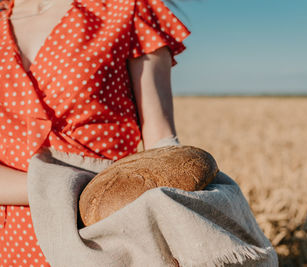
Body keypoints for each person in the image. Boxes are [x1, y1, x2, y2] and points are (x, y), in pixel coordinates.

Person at [0, 0, 190, 264]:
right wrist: (68, 187)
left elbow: (161, 142)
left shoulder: (128, 8)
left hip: (103, 233)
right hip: (12, 241)